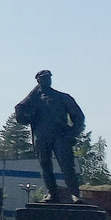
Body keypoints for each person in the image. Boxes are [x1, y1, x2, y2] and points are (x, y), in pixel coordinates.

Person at [15, 69, 85, 203]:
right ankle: (52, 193)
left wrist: (72, 134)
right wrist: (22, 112)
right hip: (41, 138)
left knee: (67, 166)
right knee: (45, 166)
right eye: (43, 78)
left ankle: (75, 194)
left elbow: (79, 118)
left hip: (61, 136)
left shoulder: (62, 97)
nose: (47, 80)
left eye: (48, 78)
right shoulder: (33, 100)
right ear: (38, 81)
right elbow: (21, 116)